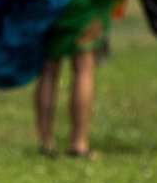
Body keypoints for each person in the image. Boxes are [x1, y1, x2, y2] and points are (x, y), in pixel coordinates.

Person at [34, 13, 105, 160]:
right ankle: (79, 144)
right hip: (83, 4)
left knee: (48, 70)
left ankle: (46, 142)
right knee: (83, 67)